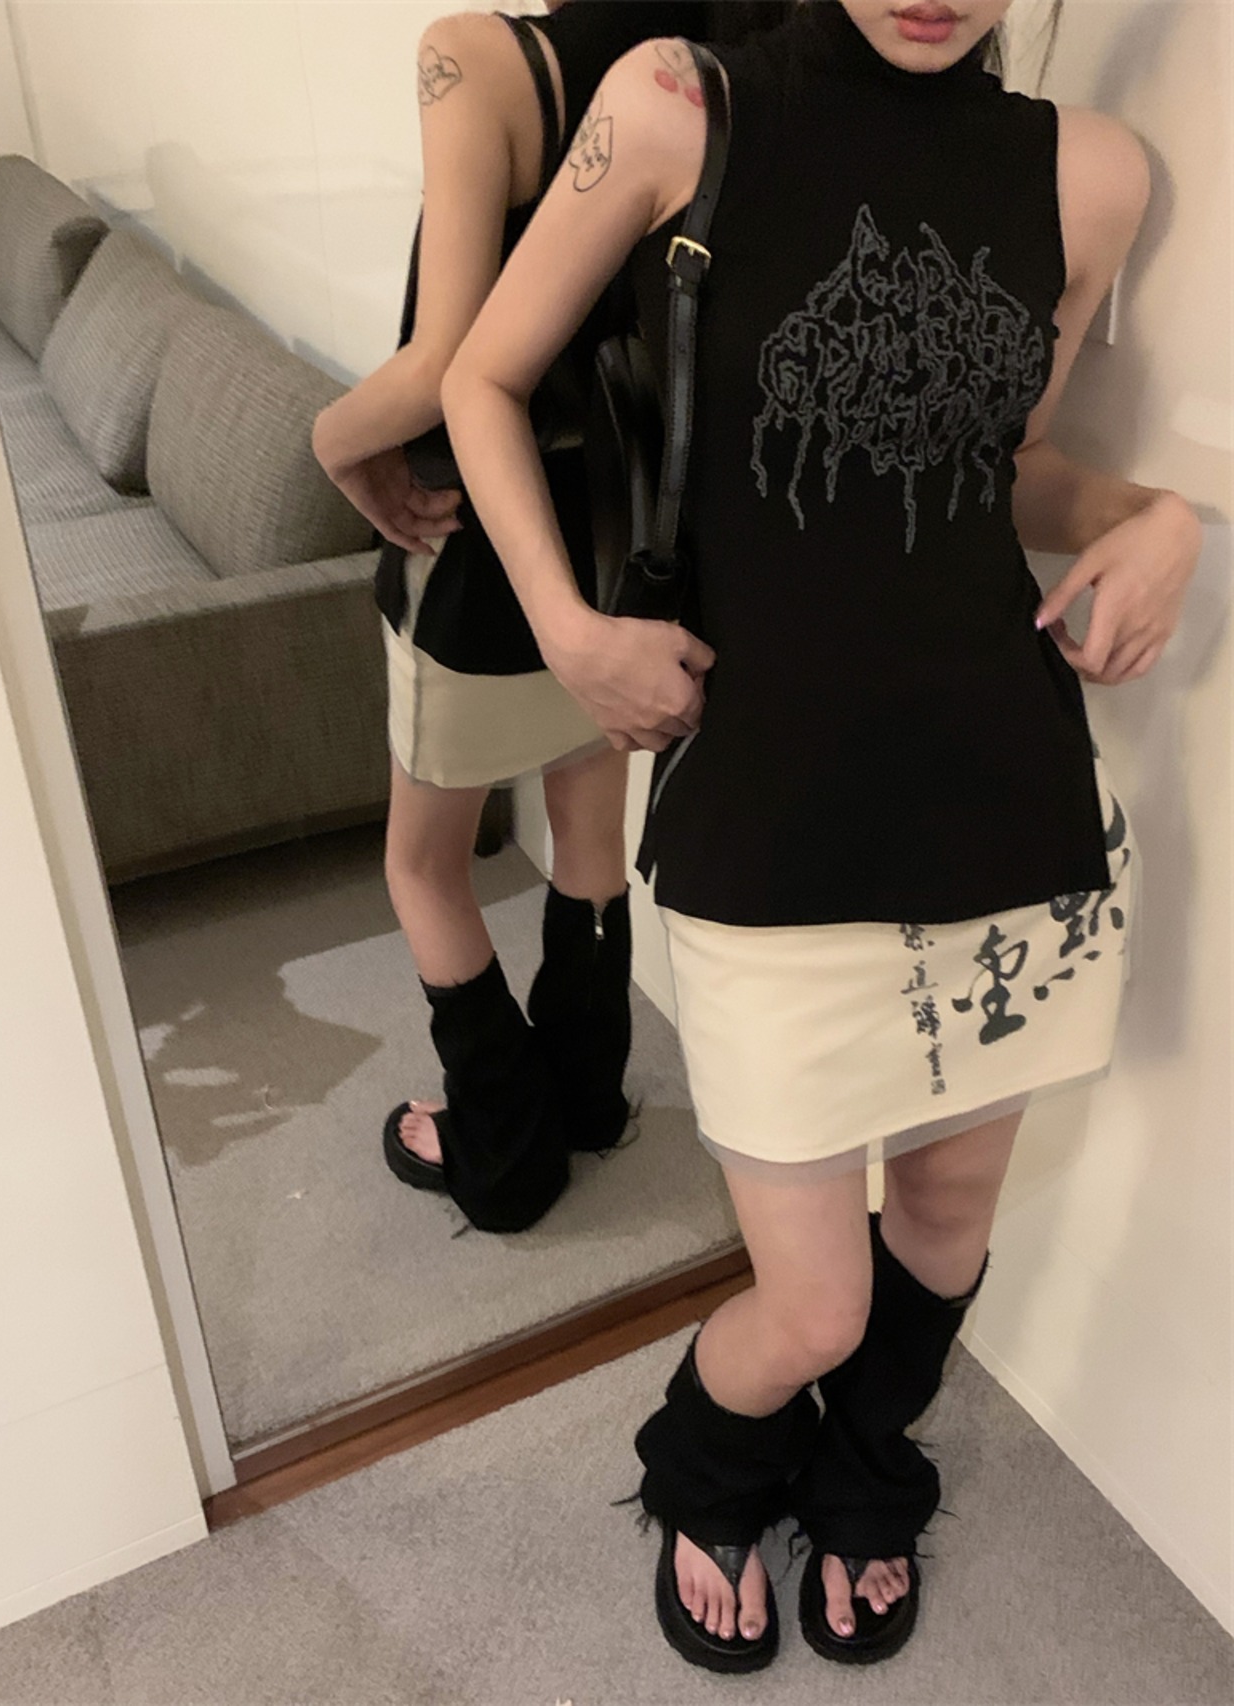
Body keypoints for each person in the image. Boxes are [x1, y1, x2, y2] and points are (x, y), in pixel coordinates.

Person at [442, 0, 1201, 1667]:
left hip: (1003, 803)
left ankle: (866, 1471)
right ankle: (703, 1467)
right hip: (768, 815)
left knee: (944, 1223)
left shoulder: (1091, 175)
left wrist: (1157, 515)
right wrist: (570, 631)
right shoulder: (675, 107)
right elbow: (480, 379)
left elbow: (1007, 463)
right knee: (811, 1300)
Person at [313, 1, 749, 1233]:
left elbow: (440, 363)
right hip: (625, 542)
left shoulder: (480, 60)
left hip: (473, 531)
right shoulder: (737, 55)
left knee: (421, 862)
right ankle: (588, 1092)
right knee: (585, 824)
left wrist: (328, 442)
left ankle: (503, 1147)